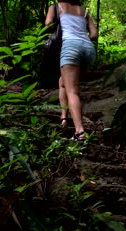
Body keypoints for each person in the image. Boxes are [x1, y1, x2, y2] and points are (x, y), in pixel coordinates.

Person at [45, 0, 98, 141]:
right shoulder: (84, 11)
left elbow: (47, 25)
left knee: (72, 91)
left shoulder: (56, 6)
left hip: (70, 47)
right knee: (63, 82)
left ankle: (80, 132)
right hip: (88, 49)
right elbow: (94, 34)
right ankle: (63, 117)